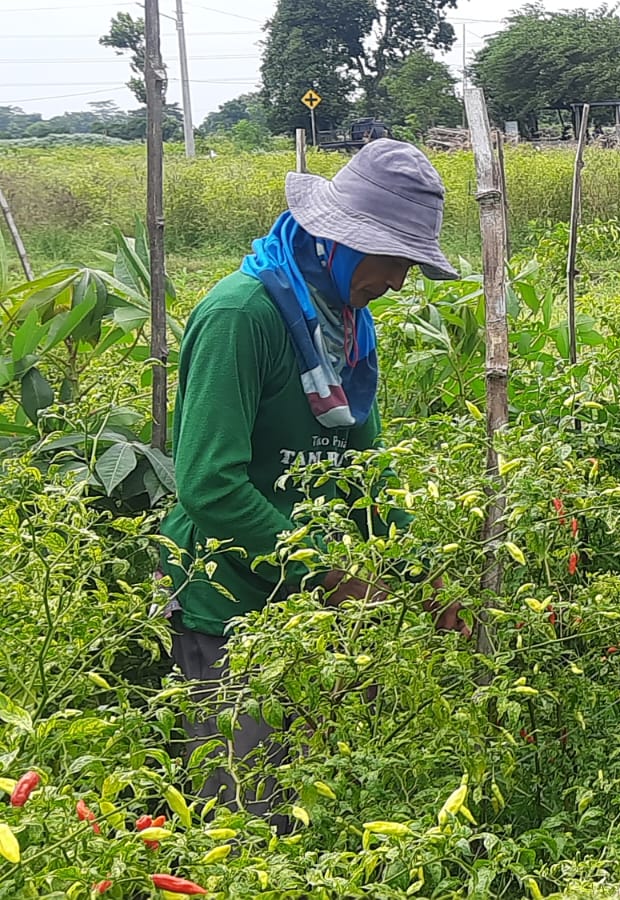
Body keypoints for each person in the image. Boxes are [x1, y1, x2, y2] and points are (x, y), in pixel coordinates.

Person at [159, 139, 463, 828]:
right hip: (229, 604)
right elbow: (209, 487)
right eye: (393, 260)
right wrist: (332, 573)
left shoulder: (349, 327)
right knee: (242, 819)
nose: (400, 281)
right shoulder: (244, 317)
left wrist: (420, 573)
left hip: (303, 608)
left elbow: (364, 476)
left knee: (308, 811)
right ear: (341, 242)